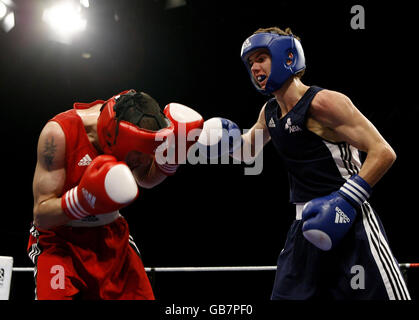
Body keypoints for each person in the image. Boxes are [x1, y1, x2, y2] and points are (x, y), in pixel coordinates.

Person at [199, 27, 410, 299]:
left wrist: (344, 200)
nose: (255, 68)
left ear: (286, 56)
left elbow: (383, 152)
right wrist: (216, 139)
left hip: (350, 219)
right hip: (304, 229)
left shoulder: (323, 102)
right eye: (250, 63)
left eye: (261, 58)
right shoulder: (270, 112)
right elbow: (247, 151)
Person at [28, 89, 203, 299]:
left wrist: (175, 155)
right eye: (137, 154)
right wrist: (82, 200)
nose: (142, 160)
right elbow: (42, 216)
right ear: (111, 138)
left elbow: (146, 179)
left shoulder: (134, 132)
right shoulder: (59, 134)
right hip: (60, 241)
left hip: (111, 238)